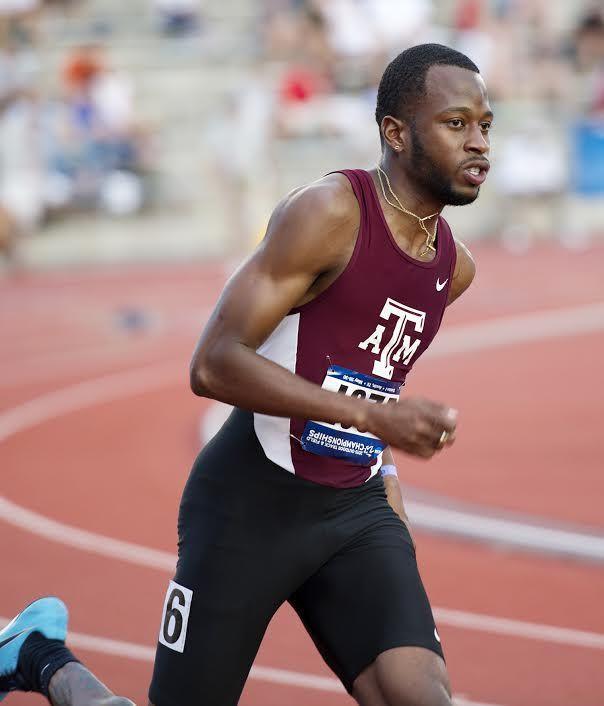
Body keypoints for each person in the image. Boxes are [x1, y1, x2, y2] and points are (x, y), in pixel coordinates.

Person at [0, 43, 492, 706]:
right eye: (456, 124)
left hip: (354, 510)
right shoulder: (330, 213)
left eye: (486, 126)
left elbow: (372, 382)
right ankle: (38, 656)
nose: (479, 144)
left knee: (420, 696)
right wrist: (378, 420)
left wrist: (390, 503)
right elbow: (214, 362)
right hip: (249, 505)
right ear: (396, 134)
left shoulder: (452, 270)